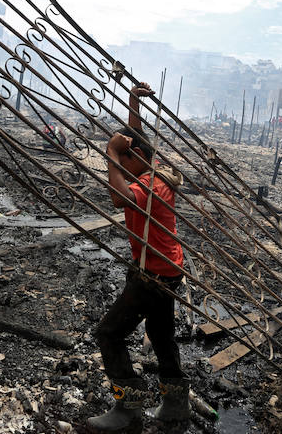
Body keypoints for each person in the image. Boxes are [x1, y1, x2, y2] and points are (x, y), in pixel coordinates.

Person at [87, 82, 189, 433]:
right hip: (165, 270)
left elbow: (120, 200)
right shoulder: (151, 167)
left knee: (109, 334)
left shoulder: (151, 186)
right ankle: (176, 403)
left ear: (138, 159)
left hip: (154, 275)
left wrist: (111, 155)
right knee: (161, 335)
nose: (124, 166)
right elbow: (138, 139)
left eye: (128, 160)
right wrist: (133, 101)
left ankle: (129, 408)